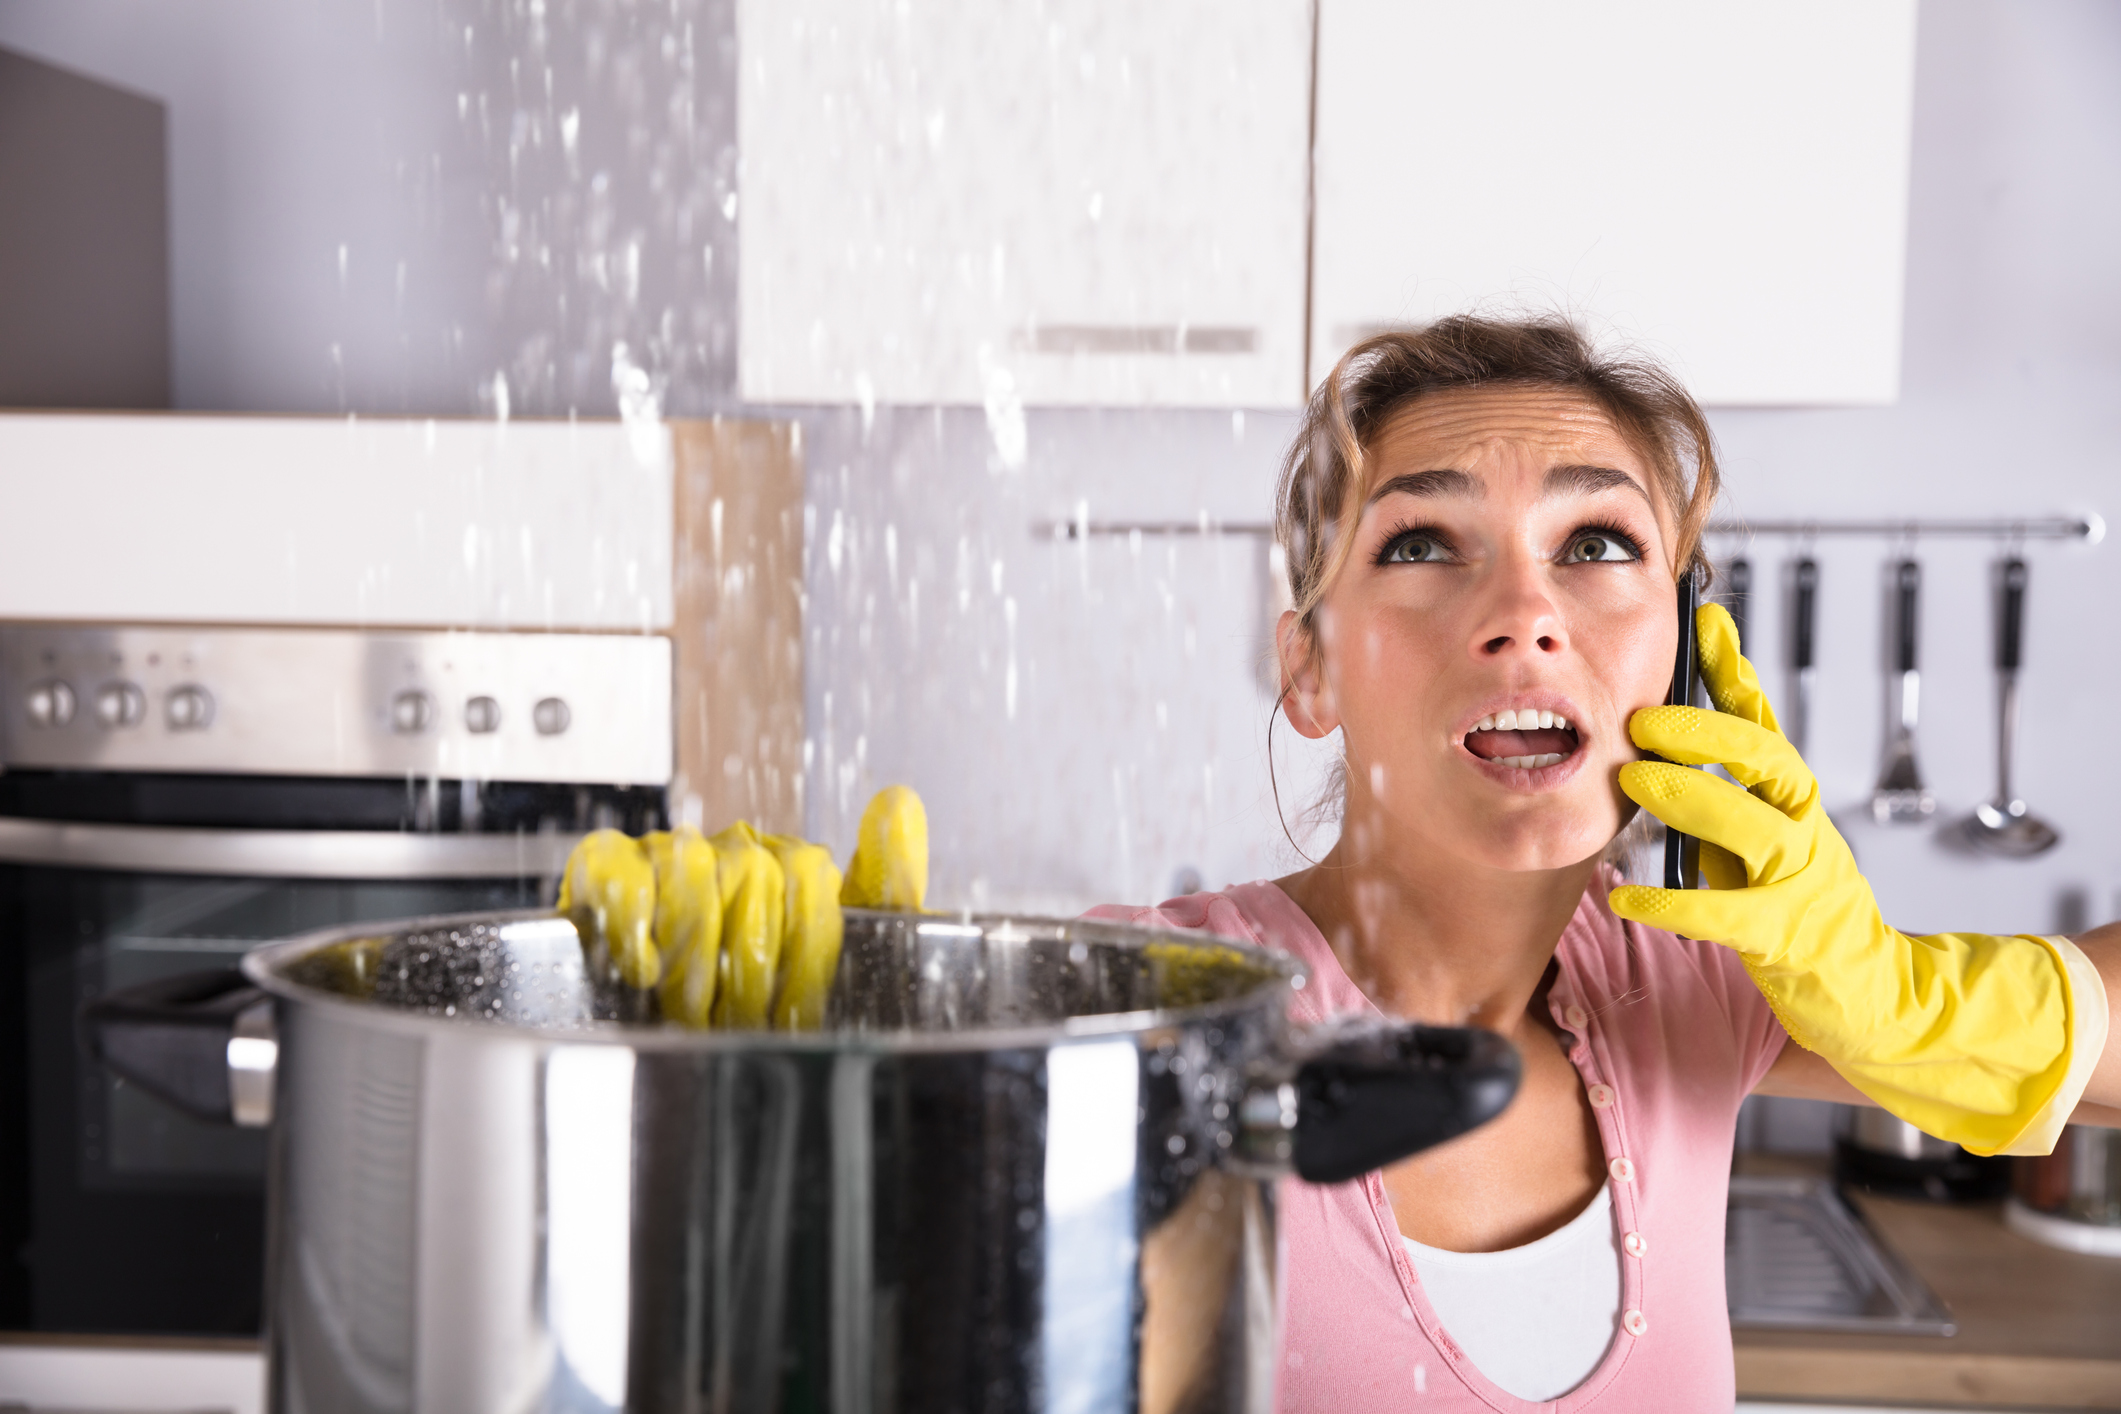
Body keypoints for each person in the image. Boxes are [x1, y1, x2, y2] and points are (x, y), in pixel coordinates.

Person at [1088, 315, 2121, 1411]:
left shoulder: (1696, 982)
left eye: (1595, 545)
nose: (1526, 617)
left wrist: (1902, 994)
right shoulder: (1156, 1004)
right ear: (1311, 671)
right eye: (1422, 543)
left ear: (1680, 654)